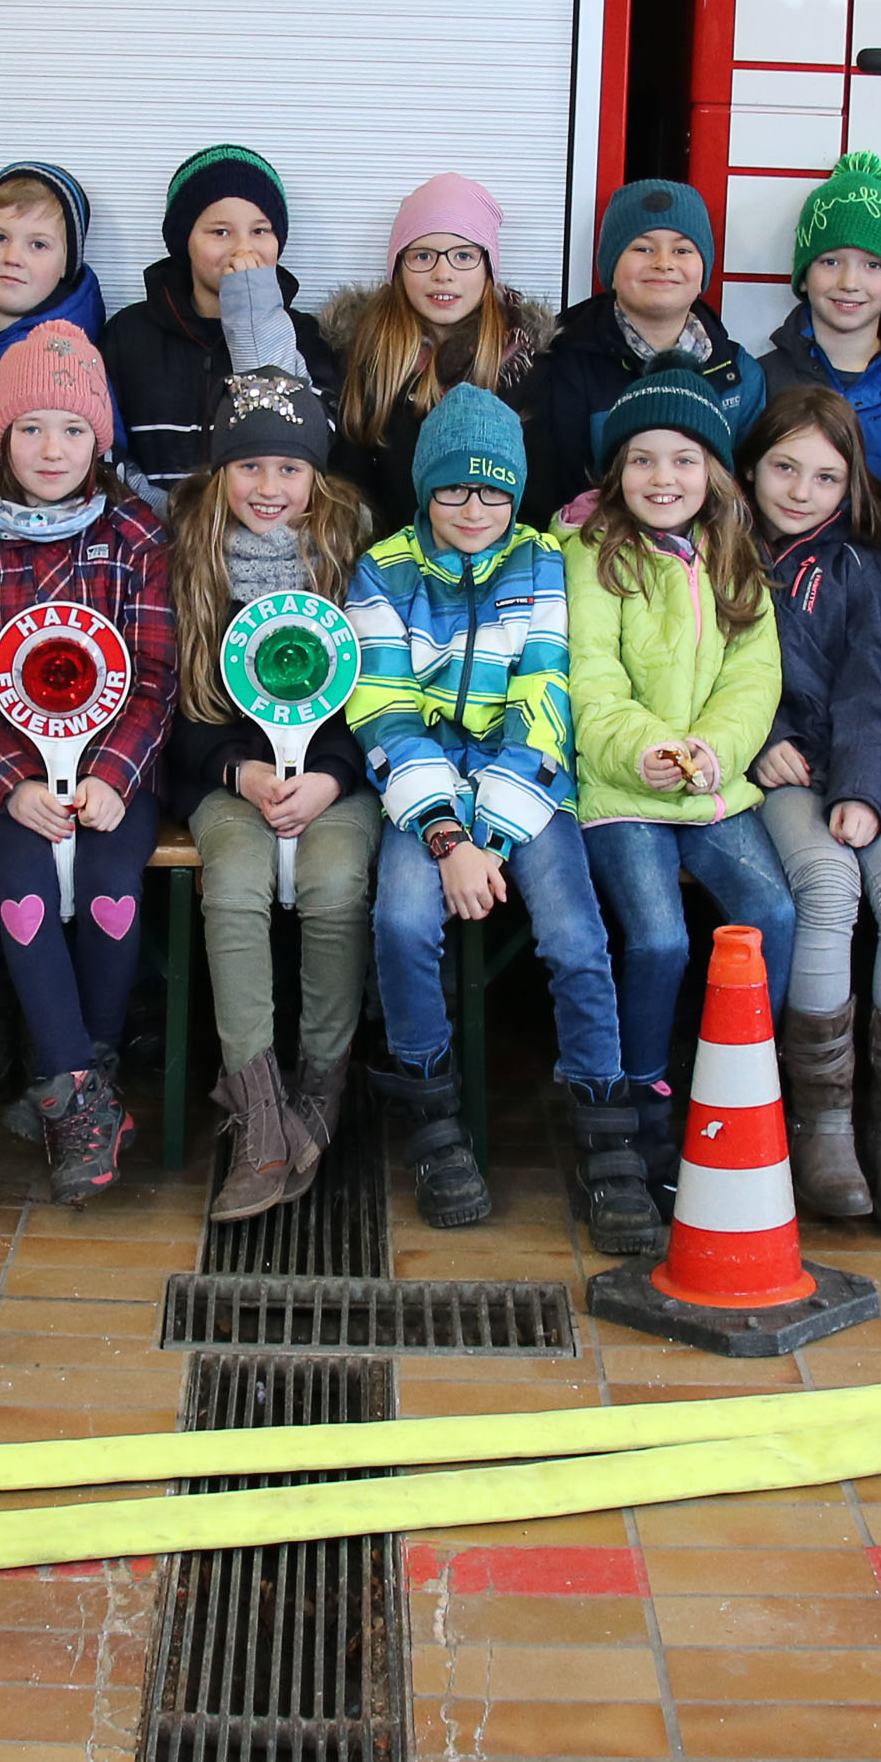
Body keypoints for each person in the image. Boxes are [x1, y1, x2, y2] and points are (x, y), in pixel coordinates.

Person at [347, 386, 625, 1236]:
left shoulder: (543, 561)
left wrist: (490, 839)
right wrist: (443, 833)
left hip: (524, 783)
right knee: (400, 920)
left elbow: (546, 704)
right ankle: (433, 1122)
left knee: (576, 936)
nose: (476, 509)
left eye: (496, 490)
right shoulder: (383, 568)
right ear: (426, 488)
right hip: (421, 786)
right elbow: (384, 710)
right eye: (456, 490)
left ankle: (606, 1132)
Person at [0, 324, 176, 1207]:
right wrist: (10, 784)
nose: (52, 449)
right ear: (0, 436)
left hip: (116, 772)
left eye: (72, 430)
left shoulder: (137, 535)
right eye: (30, 428)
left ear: (100, 440)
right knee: (25, 891)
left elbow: (156, 677)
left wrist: (111, 776)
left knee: (112, 883)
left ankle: (82, 1072)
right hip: (10, 775)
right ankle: (79, 1093)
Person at [565, 364, 800, 1238]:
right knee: (658, 935)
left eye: (685, 460)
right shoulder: (593, 556)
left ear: (715, 472)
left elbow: (754, 677)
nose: (664, 479)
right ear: (616, 473)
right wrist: (642, 749)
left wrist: (712, 750)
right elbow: (590, 677)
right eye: (642, 461)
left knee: (772, 912)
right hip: (622, 791)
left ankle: (731, 1085)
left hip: (713, 787)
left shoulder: (736, 556)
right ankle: (637, 1105)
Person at [166, 365, 380, 1219]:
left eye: (288, 469)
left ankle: (320, 1089)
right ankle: (258, 1107)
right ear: (220, 471)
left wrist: (331, 775)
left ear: (316, 478)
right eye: (250, 466)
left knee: (334, 884)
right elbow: (168, 698)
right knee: (236, 888)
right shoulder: (187, 559)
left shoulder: (355, 557)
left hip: (337, 778)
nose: (269, 486)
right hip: (229, 777)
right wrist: (238, 771)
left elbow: (384, 694)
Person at [741, 387, 881, 1223]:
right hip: (773, 769)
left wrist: (863, 789)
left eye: (825, 477)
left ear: (850, 483)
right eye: (784, 469)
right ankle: (822, 1126)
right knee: (828, 885)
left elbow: (872, 683)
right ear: (750, 469)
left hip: (862, 760)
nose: (800, 491)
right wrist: (761, 741)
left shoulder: (861, 563)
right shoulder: (721, 553)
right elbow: (717, 675)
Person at [104, 144, 346, 499]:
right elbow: (101, 447)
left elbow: (313, 442)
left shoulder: (308, 338)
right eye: (220, 232)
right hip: (153, 537)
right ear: (184, 241)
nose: (242, 248)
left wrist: (256, 319)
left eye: (260, 231)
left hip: (266, 542)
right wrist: (161, 514)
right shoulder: (127, 335)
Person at [324, 170, 554, 534]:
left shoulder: (525, 368)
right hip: (390, 570)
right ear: (398, 267)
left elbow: (539, 500)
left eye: (463, 256)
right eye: (423, 256)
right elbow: (350, 490)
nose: (443, 273)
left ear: (488, 268)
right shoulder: (367, 358)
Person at [525, 177, 766, 521]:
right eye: (642, 248)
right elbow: (550, 490)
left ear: (703, 272)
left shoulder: (739, 375)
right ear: (610, 268)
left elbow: (745, 498)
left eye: (682, 250)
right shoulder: (560, 361)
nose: (663, 262)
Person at [0, 159, 109, 541]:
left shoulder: (82, 373)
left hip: (31, 593)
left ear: (67, 263)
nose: (13, 257)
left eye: (38, 244)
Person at [759, 153, 881, 489]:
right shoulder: (761, 381)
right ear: (804, 277)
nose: (849, 282)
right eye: (830, 261)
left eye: (873, 265)